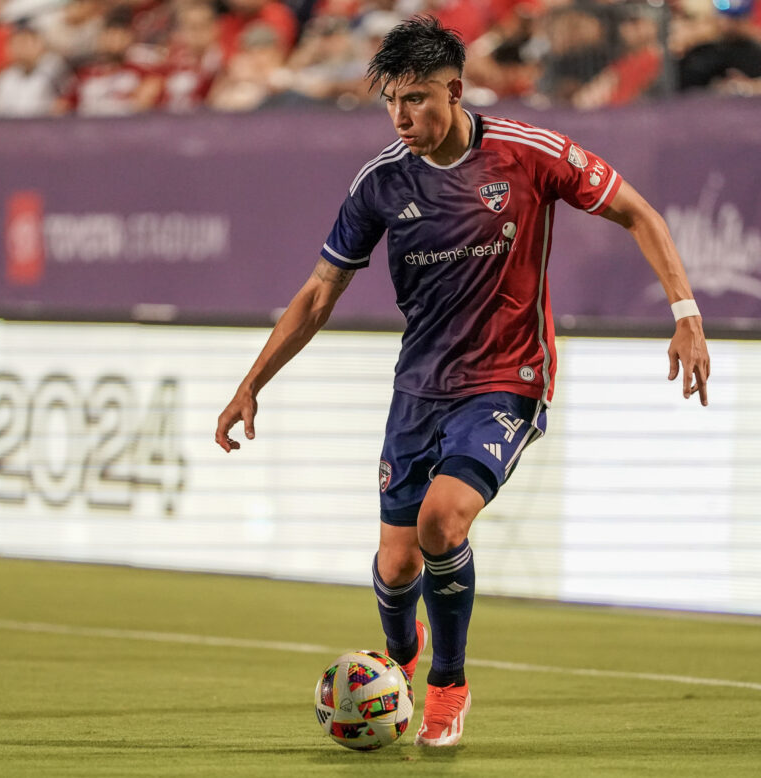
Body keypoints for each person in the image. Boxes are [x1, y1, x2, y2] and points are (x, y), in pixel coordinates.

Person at [215, 16, 710, 748]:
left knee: (442, 522)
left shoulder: (529, 153)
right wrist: (251, 381)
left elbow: (639, 211)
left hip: (510, 378)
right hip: (419, 389)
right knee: (395, 564)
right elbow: (320, 293)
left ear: (454, 88)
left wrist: (686, 311)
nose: (401, 116)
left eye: (415, 99)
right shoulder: (381, 181)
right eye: (391, 101)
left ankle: (446, 683)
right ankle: (405, 656)